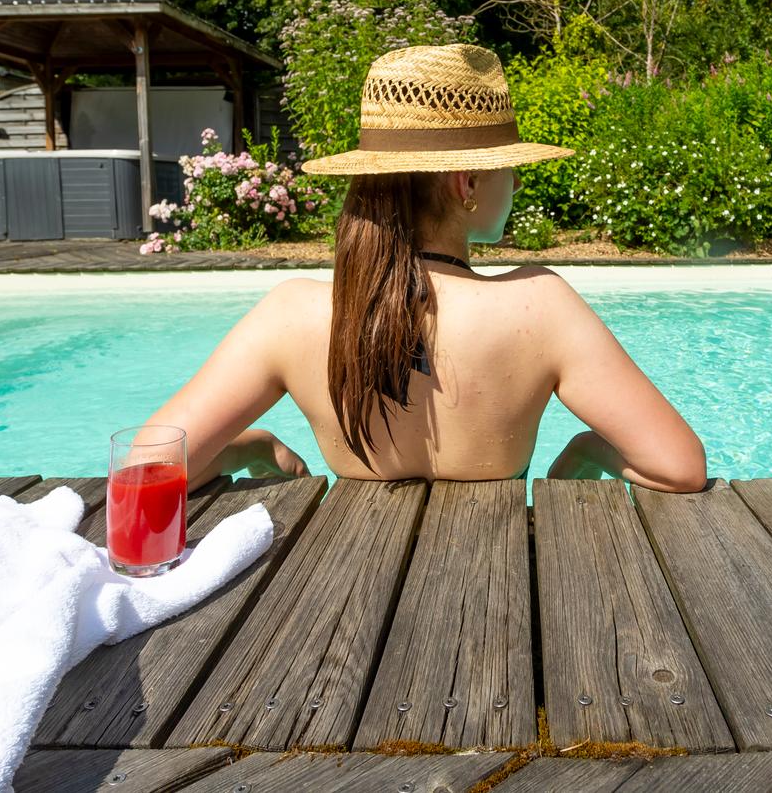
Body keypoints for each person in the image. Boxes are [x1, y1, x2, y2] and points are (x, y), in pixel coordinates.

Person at [143, 43, 708, 493]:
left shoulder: (290, 315)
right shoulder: (542, 308)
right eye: (507, 167)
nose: (515, 182)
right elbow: (679, 467)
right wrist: (588, 451)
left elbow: (145, 468)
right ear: (467, 182)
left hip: (348, 609)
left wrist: (251, 447)